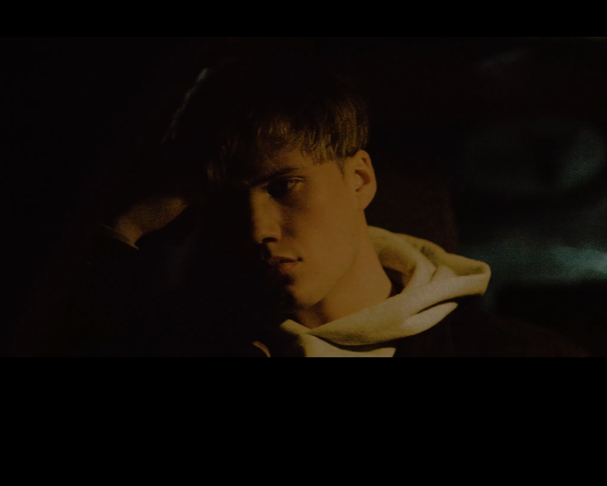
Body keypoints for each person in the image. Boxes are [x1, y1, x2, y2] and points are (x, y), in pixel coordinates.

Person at [63, 55, 589, 358]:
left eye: (284, 186)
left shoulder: (515, 353)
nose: (257, 228)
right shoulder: (181, 342)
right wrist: (124, 228)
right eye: (226, 200)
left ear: (359, 180)